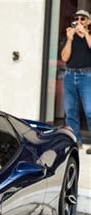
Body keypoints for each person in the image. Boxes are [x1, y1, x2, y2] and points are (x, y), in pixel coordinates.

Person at [60, 9, 91, 154]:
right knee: (70, 111)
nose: (79, 21)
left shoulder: (89, 36)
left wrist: (84, 33)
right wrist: (70, 39)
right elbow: (65, 58)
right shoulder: (70, 36)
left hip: (87, 76)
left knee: (90, 111)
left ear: (88, 22)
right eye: (77, 18)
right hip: (70, 75)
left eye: (83, 19)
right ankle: (75, 141)